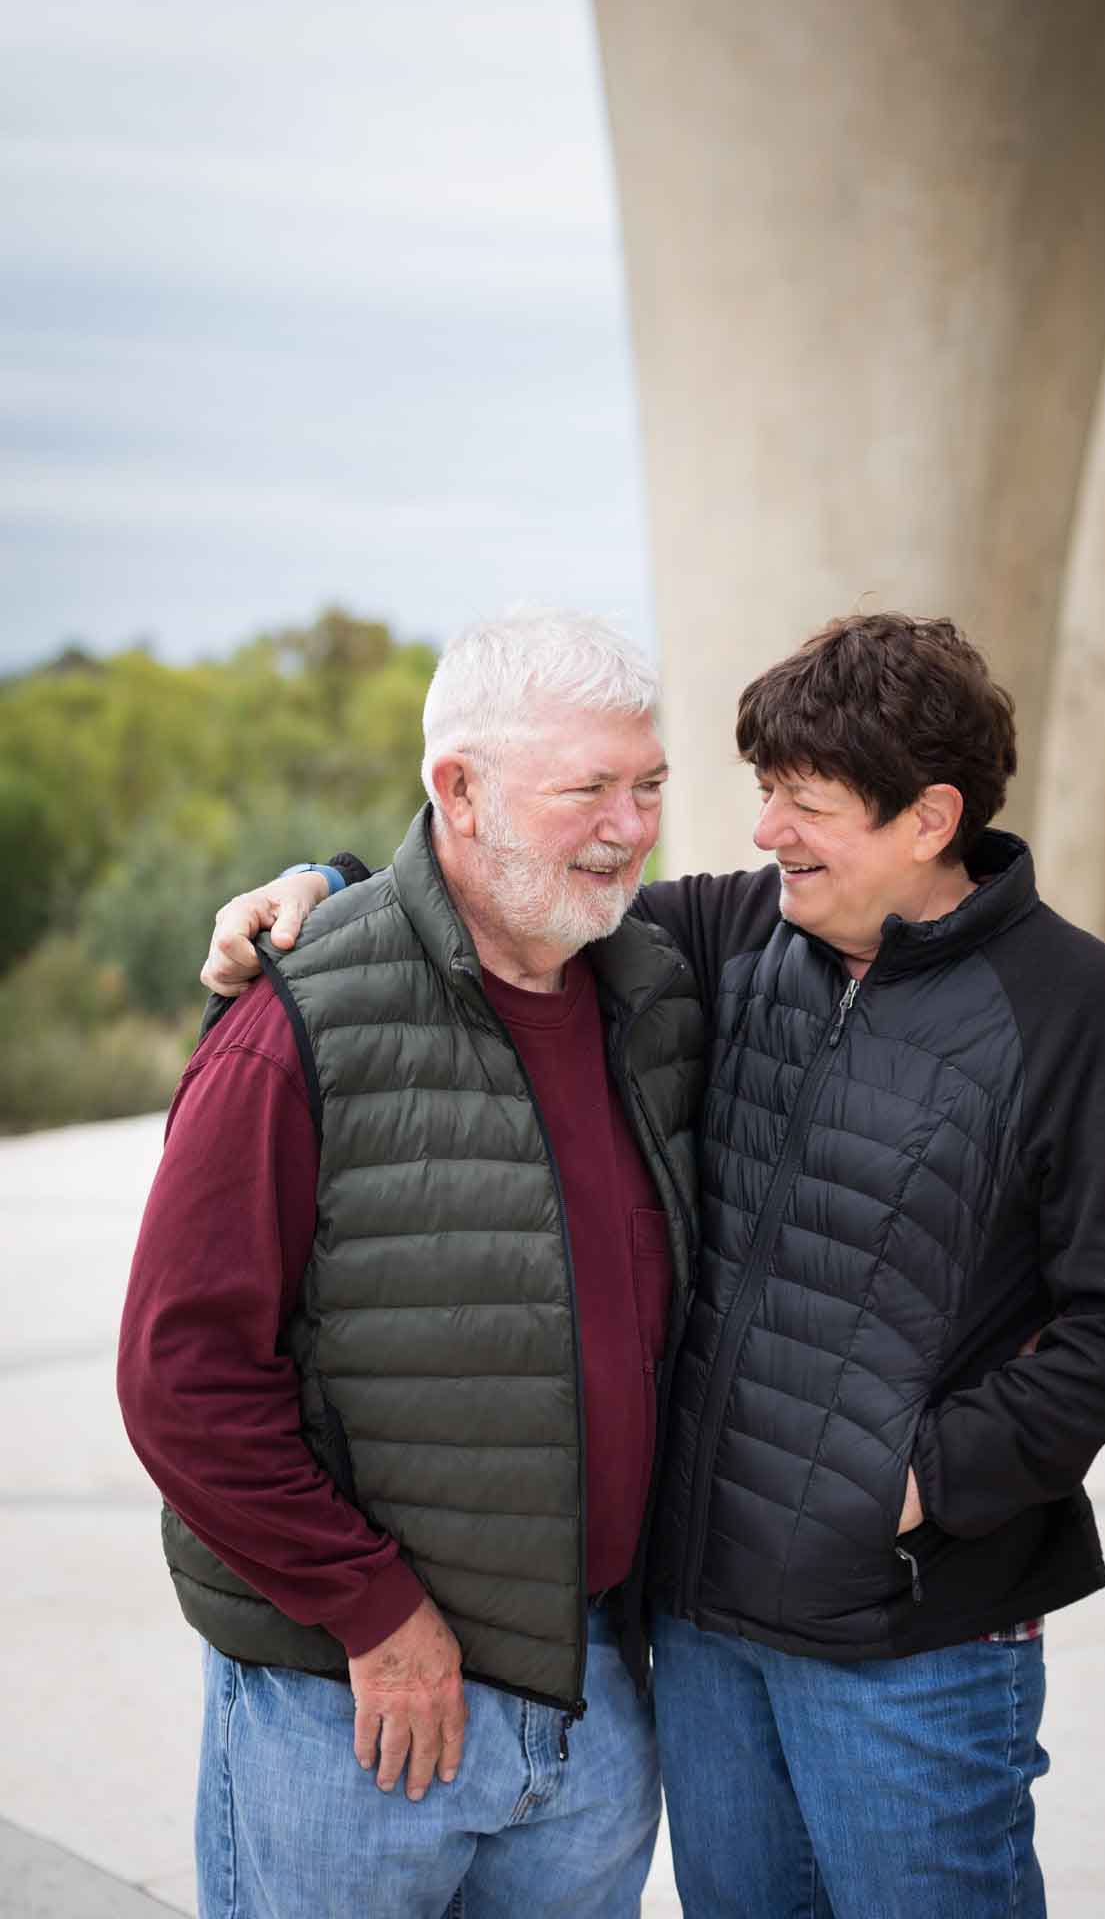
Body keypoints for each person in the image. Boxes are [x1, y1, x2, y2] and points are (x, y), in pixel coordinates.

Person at [201, 611, 1105, 1919]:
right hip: (707, 1633)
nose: (766, 831)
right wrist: (320, 886)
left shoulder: (1068, 1007)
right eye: (763, 794)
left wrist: (910, 1486)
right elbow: (500, 904)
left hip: (908, 1641)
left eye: (806, 804)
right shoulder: (729, 941)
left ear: (929, 819)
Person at [118, 610, 707, 1919]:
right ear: (458, 789)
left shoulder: (655, 988)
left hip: (594, 1694)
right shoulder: (299, 1023)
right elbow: (183, 1382)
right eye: (587, 791)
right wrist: (375, 1615)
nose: (630, 825)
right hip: (353, 1713)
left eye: (650, 784)